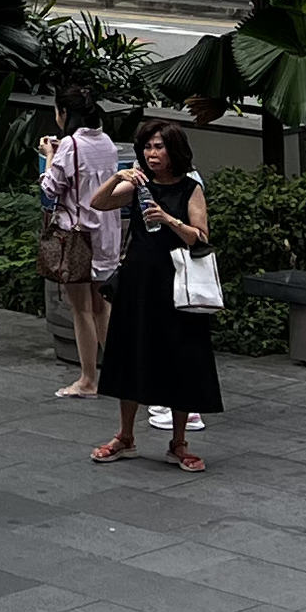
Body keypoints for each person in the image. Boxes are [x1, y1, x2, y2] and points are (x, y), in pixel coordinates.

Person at [93, 119, 222, 470]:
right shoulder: (140, 185)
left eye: (159, 147)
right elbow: (99, 203)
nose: (153, 154)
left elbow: (201, 236)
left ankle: (179, 442)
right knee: (130, 352)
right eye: (148, 147)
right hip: (138, 280)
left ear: (174, 150)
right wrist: (119, 177)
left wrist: (168, 219)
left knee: (181, 357)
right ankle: (125, 436)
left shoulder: (189, 188)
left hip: (177, 284)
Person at [37, 89, 124, 401]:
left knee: (81, 309)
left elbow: (51, 187)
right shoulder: (107, 142)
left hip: (78, 235)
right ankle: (119, 372)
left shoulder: (69, 146)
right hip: (107, 233)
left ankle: (88, 379)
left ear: (64, 113)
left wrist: (49, 154)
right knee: (102, 306)